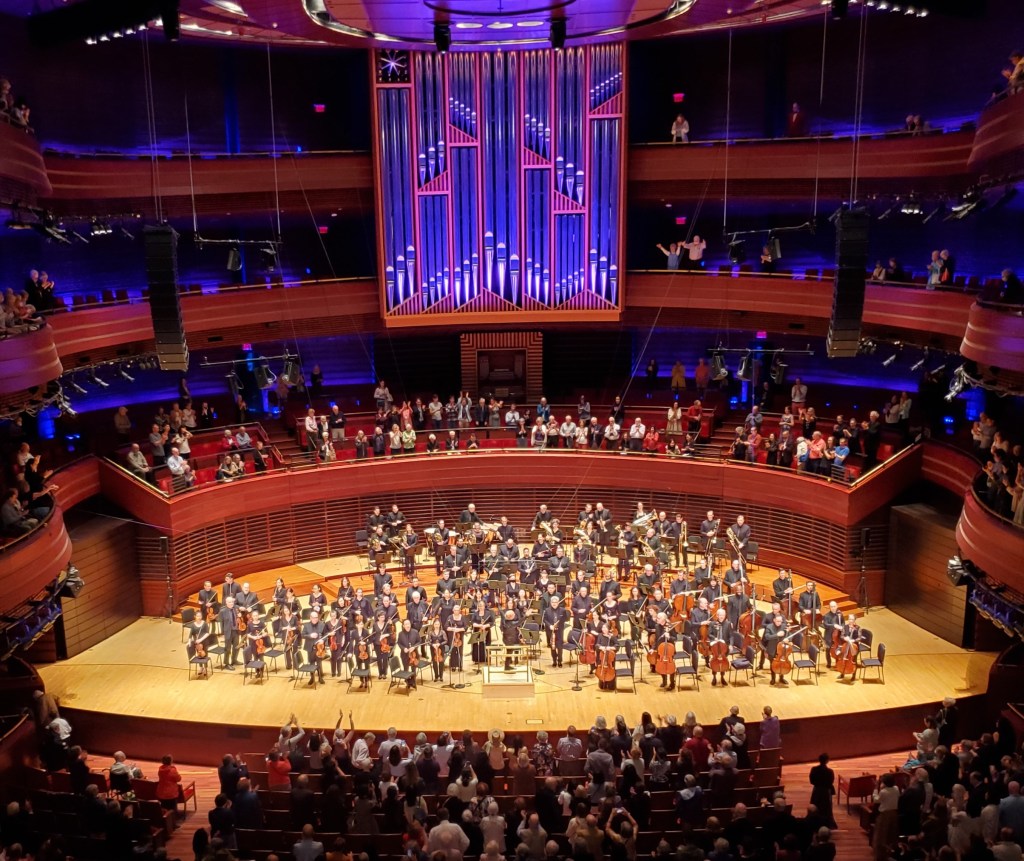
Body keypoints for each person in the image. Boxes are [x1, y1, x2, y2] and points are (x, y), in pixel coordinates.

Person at [809, 754, 837, 828]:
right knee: (826, 808)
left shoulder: (814, 769)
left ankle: (814, 823)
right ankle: (826, 824)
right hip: (826, 792)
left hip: (817, 791)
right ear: (827, 761)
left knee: (815, 806)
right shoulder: (830, 771)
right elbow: (831, 782)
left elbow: (811, 781)